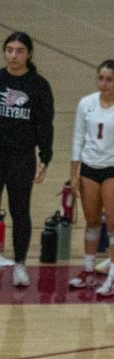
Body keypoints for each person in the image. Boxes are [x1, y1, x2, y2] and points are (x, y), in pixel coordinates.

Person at [0, 32, 54, 287]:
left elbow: (45, 125)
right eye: (9, 50)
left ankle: (19, 265)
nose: (13, 55)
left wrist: (45, 157)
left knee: (20, 212)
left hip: (22, 157)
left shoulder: (39, 86)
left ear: (29, 54)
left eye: (19, 51)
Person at [67, 59, 114, 296]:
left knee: (113, 226)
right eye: (101, 78)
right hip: (89, 168)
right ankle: (88, 271)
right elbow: (78, 138)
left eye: (109, 80)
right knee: (92, 221)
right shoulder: (86, 104)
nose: (103, 84)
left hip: (111, 169)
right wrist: (73, 174)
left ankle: (113, 276)